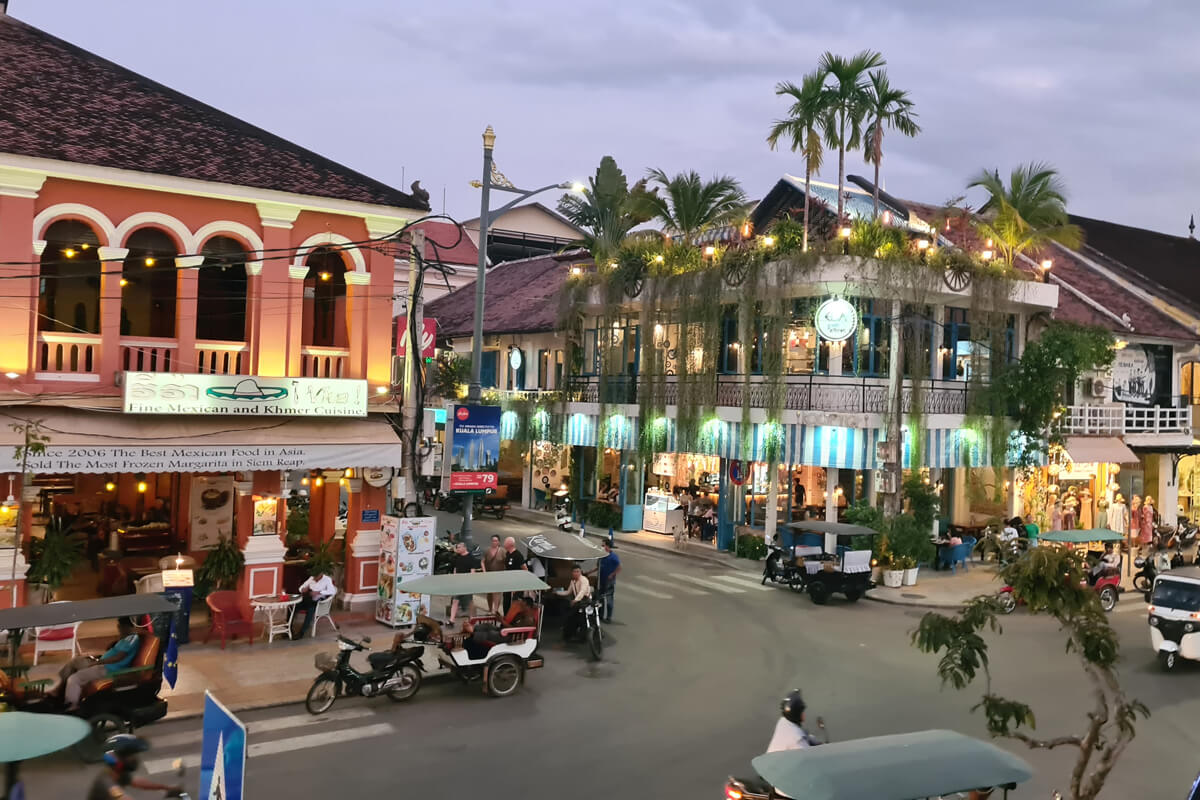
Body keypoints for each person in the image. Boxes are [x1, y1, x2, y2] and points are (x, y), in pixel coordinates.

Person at [57, 617, 141, 710]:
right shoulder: (125, 638)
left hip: (107, 669)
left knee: (74, 679)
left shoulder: (132, 639)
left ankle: (71, 706)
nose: (118, 628)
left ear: (127, 627)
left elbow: (118, 657)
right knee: (75, 661)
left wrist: (98, 662)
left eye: (120, 626)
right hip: (101, 663)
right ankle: (57, 691)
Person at [87, 734, 181, 800]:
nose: (134, 759)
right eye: (129, 756)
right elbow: (122, 797)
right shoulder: (107, 782)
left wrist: (166, 788)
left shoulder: (118, 774)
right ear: (117, 759)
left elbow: (139, 782)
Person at [293, 569, 337, 637]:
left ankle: (302, 632)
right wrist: (303, 589)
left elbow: (332, 591)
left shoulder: (327, 579)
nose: (314, 578)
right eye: (314, 576)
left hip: (319, 603)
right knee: (293, 606)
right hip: (308, 599)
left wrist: (318, 592)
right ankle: (289, 628)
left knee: (310, 609)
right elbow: (301, 587)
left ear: (321, 574)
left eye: (316, 576)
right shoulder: (311, 578)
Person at [448, 541, 479, 624]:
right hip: (458, 583)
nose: (457, 549)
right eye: (457, 547)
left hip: (467, 583)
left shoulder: (471, 558)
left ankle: (471, 618)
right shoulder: (457, 557)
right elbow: (455, 568)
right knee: (455, 600)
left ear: (464, 548)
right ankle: (452, 619)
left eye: (459, 547)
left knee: (469, 601)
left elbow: (473, 571)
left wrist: (470, 582)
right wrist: (454, 579)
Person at [562, 565, 593, 639]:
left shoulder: (584, 580)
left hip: (585, 601)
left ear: (580, 572)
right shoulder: (572, 581)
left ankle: (583, 635)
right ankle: (570, 633)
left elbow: (582, 591)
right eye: (574, 572)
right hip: (578, 602)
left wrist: (575, 600)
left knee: (582, 618)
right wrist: (557, 592)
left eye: (578, 571)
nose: (576, 573)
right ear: (572, 573)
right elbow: (568, 592)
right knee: (570, 616)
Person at [481, 534, 506, 615]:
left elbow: (505, 562)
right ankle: (490, 609)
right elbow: (482, 561)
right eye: (493, 541)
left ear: (499, 542)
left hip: (499, 575)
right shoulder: (487, 551)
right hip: (489, 574)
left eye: (496, 541)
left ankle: (495, 610)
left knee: (497, 592)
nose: (494, 542)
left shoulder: (502, 551)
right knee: (490, 593)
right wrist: (484, 572)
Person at [598, 540, 621, 623]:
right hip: (601, 580)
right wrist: (589, 572)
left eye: (603, 545)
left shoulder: (613, 557)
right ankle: (600, 616)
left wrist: (612, 575)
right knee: (600, 599)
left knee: (609, 600)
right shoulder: (601, 555)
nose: (602, 547)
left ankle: (608, 617)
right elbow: (598, 567)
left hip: (609, 581)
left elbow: (619, 568)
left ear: (608, 546)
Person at [502, 536, 527, 612]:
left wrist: (518, 585)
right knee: (506, 600)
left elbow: (525, 569)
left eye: (505, 542)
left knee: (515, 602)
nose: (504, 543)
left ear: (510, 544)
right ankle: (506, 615)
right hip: (508, 582)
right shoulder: (507, 554)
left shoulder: (518, 555)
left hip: (516, 583)